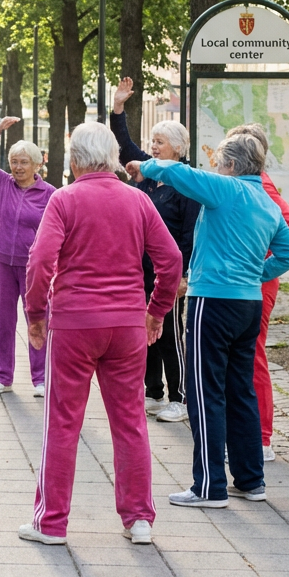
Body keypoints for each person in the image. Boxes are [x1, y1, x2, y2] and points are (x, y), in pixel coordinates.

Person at [20, 123, 182, 546]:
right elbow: (171, 259)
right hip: (127, 324)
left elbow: (40, 262)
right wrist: (156, 310)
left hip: (74, 324)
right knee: (130, 423)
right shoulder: (138, 200)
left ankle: (51, 523)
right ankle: (139, 519)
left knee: (63, 423)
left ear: (74, 161)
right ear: (112, 158)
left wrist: (36, 313)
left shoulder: (64, 200)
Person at [127, 132, 289, 508]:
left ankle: (209, 486)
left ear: (232, 166)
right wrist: (257, 272)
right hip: (248, 305)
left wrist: (145, 166)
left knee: (205, 394)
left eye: (219, 162)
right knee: (241, 391)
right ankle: (251, 480)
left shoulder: (227, 189)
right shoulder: (267, 202)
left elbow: (179, 173)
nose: (215, 168)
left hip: (213, 300)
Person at [111, 77, 200, 423]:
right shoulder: (149, 175)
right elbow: (125, 147)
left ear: (177, 148)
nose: (154, 147)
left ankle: (180, 396)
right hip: (141, 270)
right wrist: (118, 108)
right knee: (145, 329)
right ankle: (153, 391)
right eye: (153, 141)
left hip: (171, 273)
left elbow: (192, 233)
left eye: (160, 142)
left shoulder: (187, 183)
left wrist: (184, 274)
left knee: (170, 334)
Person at [226, 123, 289, 461]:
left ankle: (261, 439)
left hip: (256, 284)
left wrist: (259, 266)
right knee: (242, 357)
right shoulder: (246, 184)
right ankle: (247, 435)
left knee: (251, 357)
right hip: (245, 282)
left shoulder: (261, 186)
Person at [0, 117, 54, 397]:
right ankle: (3, 376)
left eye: (24, 162)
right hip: (2, 264)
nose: (18, 167)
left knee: (38, 320)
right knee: (3, 321)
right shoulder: (1, 183)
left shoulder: (50, 194)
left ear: (36, 165)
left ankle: (41, 378)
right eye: (14, 161)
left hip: (34, 269)